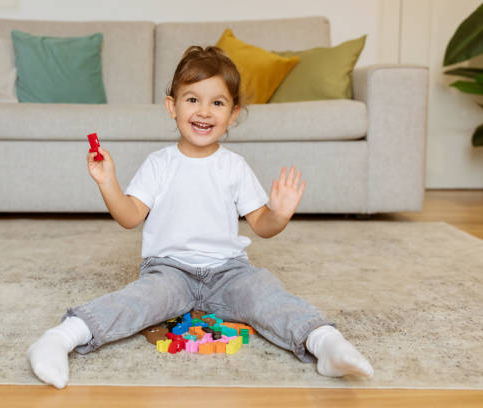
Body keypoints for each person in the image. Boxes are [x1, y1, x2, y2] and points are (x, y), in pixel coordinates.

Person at [27, 45, 374, 389]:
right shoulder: (159, 163)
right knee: (138, 301)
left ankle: (325, 342)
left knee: (267, 295)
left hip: (229, 271)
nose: (204, 111)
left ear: (233, 114)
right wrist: (108, 183)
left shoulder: (234, 166)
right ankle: (61, 338)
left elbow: (262, 225)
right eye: (192, 99)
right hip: (169, 270)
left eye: (217, 103)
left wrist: (279, 214)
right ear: (172, 106)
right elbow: (130, 216)